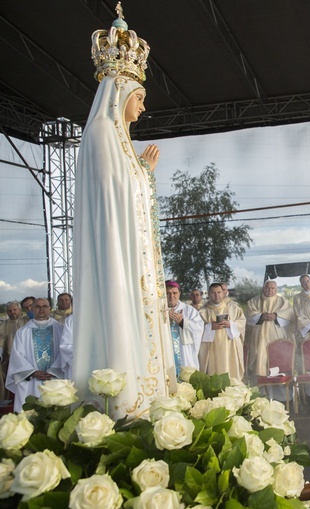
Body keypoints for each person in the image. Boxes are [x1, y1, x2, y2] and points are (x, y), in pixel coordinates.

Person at [71, 6, 177, 419]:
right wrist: (142, 175)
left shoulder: (122, 145)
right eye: (139, 99)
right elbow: (111, 199)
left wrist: (145, 174)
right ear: (119, 95)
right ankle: (127, 404)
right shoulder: (101, 134)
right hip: (117, 258)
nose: (142, 108)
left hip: (136, 260)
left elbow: (129, 193)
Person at [6, 299, 65, 413]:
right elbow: (17, 356)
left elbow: (66, 352)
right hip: (31, 381)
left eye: (44, 306)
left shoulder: (61, 329)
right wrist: (33, 372)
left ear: (50, 308)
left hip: (56, 378)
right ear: (32, 309)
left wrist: (54, 370)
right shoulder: (22, 332)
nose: (41, 309)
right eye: (37, 306)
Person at [245, 280, 294, 380]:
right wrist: (261, 316)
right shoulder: (254, 301)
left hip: (276, 335)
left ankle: (278, 377)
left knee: (276, 356)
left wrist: (276, 316)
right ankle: (261, 378)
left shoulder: (282, 301)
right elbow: (248, 317)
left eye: (272, 288)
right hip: (259, 336)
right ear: (263, 288)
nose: (270, 290)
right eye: (267, 288)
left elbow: (290, 316)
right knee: (260, 355)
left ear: (276, 290)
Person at [199, 283, 245, 381]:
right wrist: (210, 327)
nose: (216, 295)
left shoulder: (234, 307)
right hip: (212, 349)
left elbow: (242, 322)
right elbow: (197, 330)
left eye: (219, 292)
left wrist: (231, 324)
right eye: (213, 293)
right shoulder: (203, 311)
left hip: (230, 347)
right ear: (209, 294)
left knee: (231, 375)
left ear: (224, 293)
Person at [166, 280, 204, 377]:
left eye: (174, 293)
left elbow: (198, 328)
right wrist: (166, 322)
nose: (171, 296)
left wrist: (183, 322)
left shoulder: (189, 310)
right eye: (168, 293)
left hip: (184, 352)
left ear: (179, 293)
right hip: (166, 352)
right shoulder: (158, 310)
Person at [0, 302, 28, 400]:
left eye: (14, 310)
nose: (12, 312)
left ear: (20, 310)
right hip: (10, 359)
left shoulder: (27, 321)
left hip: (27, 359)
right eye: (9, 311)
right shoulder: (3, 325)